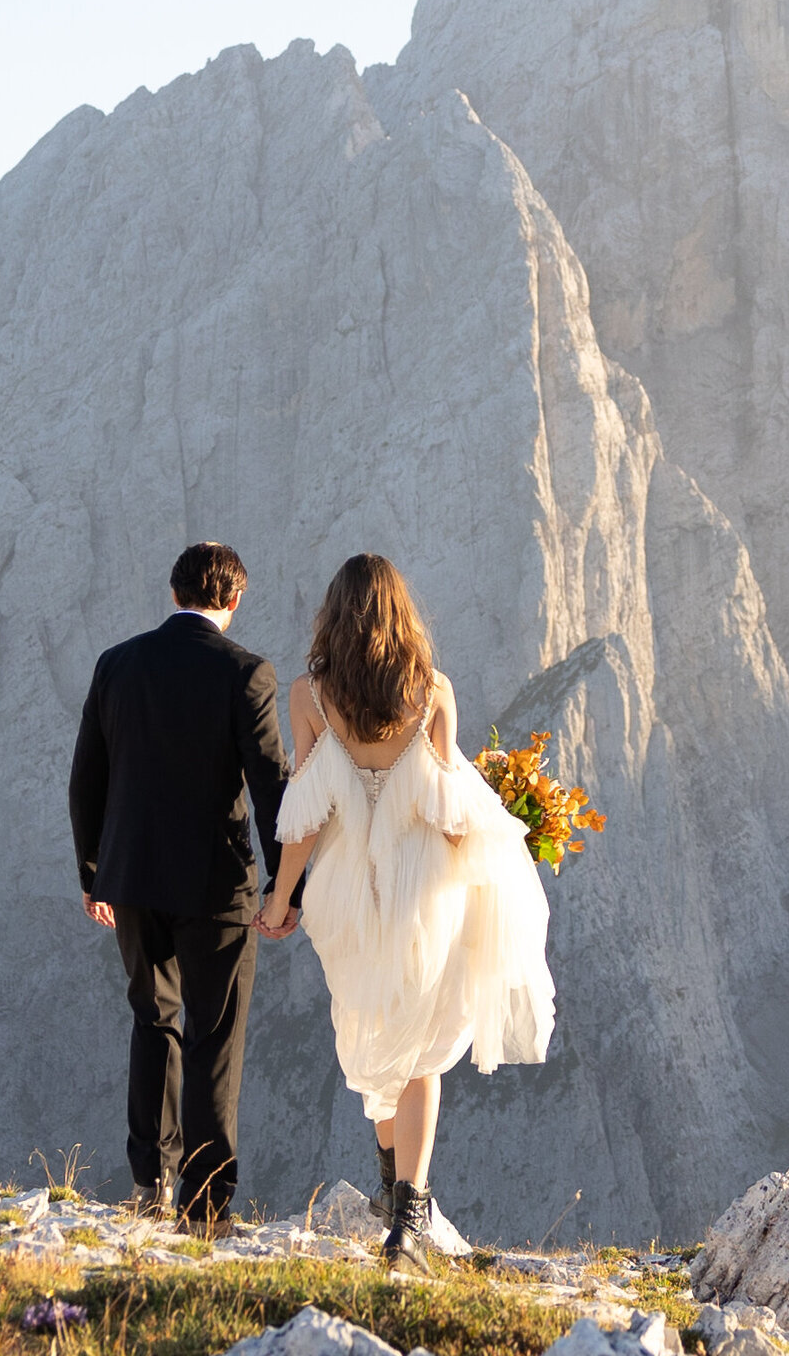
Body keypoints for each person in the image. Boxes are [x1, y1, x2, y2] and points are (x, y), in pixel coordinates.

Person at [257, 553, 555, 1272]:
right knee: (423, 1054)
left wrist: (280, 898)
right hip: (427, 896)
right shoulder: (433, 694)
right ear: (400, 616)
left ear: (335, 614)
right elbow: (452, 819)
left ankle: (396, 1188)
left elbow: (302, 814)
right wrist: (501, 822)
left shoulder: (308, 696)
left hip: (346, 896)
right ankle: (408, 1216)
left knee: (372, 1039)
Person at [69, 542, 298, 1231]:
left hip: (133, 879)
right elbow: (270, 788)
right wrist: (288, 889)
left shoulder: (117, 664)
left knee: (153, 1020)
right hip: (216, 885)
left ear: (173, 594)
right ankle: (204, 1205)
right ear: (234, 601)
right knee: (214, 1037)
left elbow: (86, 780)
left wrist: (94, 872)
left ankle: (148, 1182)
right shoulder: (247, 673)